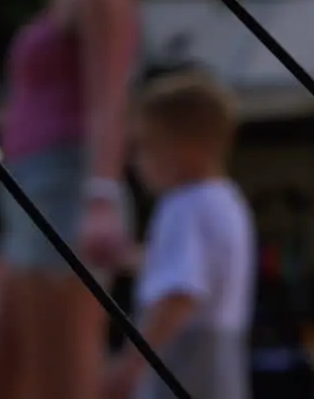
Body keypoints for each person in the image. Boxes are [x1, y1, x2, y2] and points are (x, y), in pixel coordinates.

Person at [0, 0, 140, 399]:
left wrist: (100, 198)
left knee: (58, 384)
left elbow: (109, 100)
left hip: (66, 197)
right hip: (24, 199)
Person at [104, 71, 255, 399]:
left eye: (144, 145)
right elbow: (192, 266)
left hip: (184, 359)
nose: (136, 162)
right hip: (221, 362)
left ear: (184, 147)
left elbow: (179, 293)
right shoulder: (225, 200)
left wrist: (129, 366)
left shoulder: (183, 206)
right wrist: (131, 256)